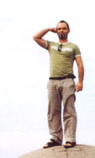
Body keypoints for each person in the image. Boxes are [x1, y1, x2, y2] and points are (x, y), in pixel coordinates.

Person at [33, 20, 84, 149]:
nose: (61, 30)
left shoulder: (73, 47)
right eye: (59, 28)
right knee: (53, 111)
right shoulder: (51, 45)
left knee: (69, 110)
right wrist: (50, 29)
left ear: (68, 31)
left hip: (67, 80)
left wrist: (80, 82)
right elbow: (36, 37)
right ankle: (56, 138)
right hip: (52, 81)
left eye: (64, 28)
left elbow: (80, 64)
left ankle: (70, 138)